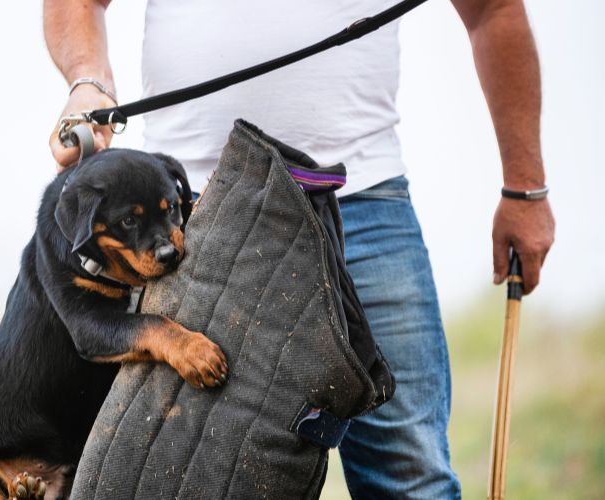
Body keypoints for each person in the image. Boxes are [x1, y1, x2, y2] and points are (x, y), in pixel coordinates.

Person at [43, 0, 555, 497]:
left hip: (365, 203)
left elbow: (493, 10)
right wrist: (88, 80)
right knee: (191, 481)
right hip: (193, 221)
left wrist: (525, 189)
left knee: (411, 476)